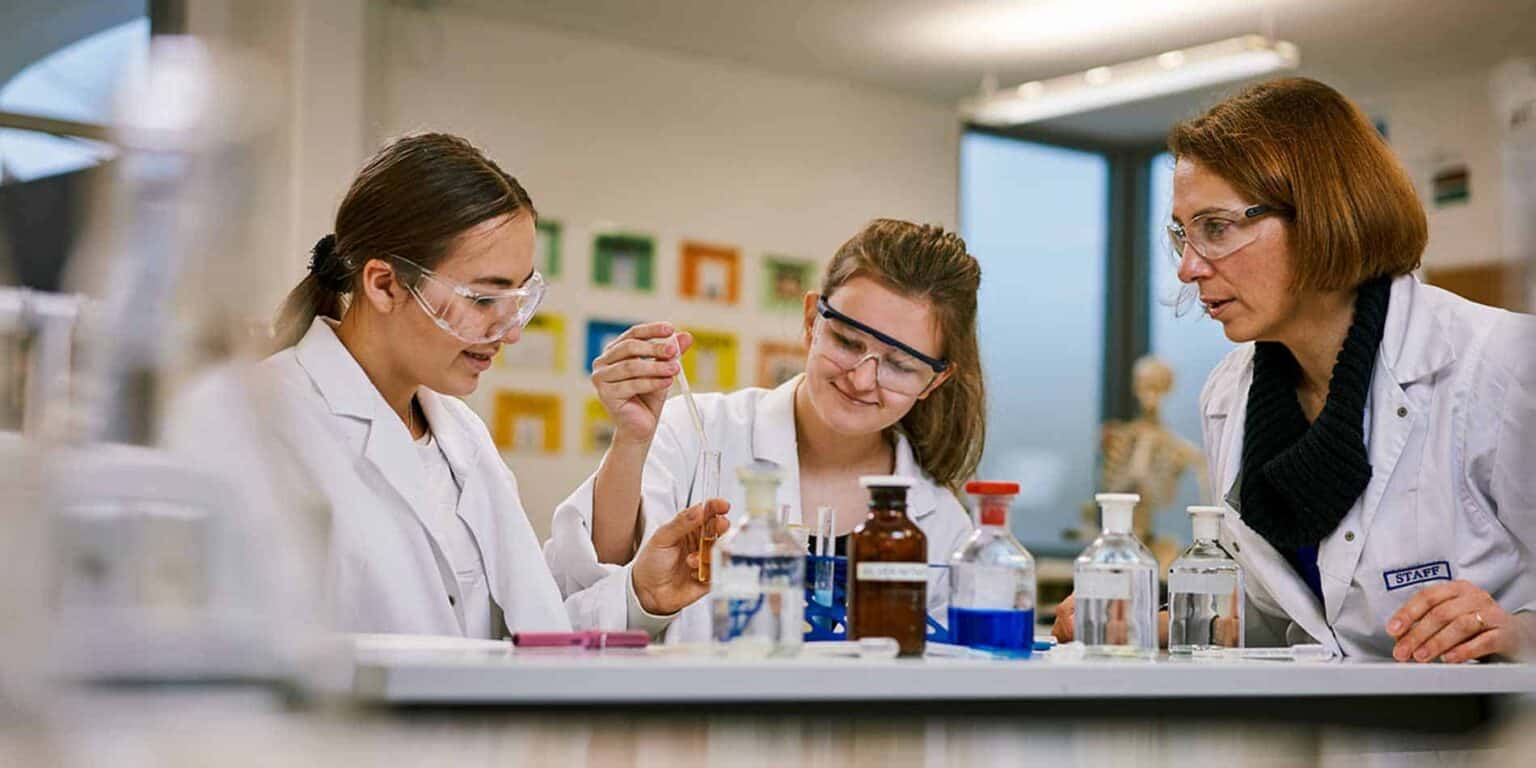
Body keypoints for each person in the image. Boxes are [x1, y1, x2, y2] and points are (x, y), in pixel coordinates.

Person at [1055, 77, 1536, 662]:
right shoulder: (1231, 394)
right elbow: (1298, 619)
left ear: (1323, 216)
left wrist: (1520, 635)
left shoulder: (1501, 365)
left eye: (1216, 228)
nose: (1187, 268)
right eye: (1183, 234)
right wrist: (1157, 623)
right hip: (1324, 739)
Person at [263, 132, 724, 638]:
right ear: (384, 284)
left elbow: (517, 639)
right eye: (483, 299)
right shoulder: (271, 423)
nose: (511, 331)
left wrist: (641, 595)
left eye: (519, 299)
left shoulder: (460, 434)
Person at [545, 219, 984, 642]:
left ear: (935, 380)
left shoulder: (942, 523)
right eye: (848, 342)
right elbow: (580, 597)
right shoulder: (697, 433)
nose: (862, 379)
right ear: (813, 319)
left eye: (901, 365)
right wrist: (631, 442)